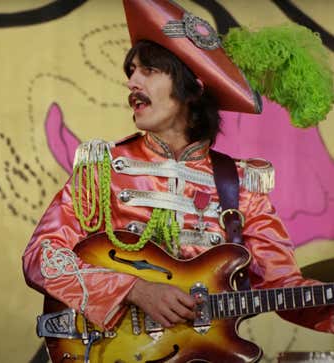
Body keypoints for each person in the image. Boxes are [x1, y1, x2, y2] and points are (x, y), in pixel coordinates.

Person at [22, 0, 333, 352]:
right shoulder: (101, 171)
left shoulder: (242, 188)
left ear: (194, 86)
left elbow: (285, 287)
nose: (131, 82)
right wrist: (133, 290)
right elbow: (42, 256)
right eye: (131, 70)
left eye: (149, 70)